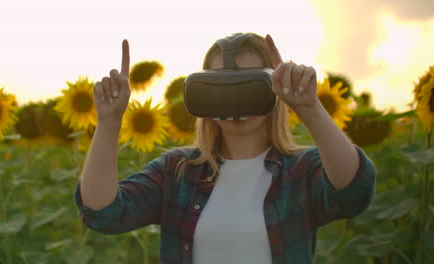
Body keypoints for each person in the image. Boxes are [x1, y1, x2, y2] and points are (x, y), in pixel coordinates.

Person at [74, 33, 376, 264]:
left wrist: (309, 106)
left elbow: (354, 192)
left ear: (273, 89)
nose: (235, 104)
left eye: (248, 87)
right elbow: (103, 214)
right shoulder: (178, 171)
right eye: (221, 89)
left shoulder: (300, 170)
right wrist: (109, 122)